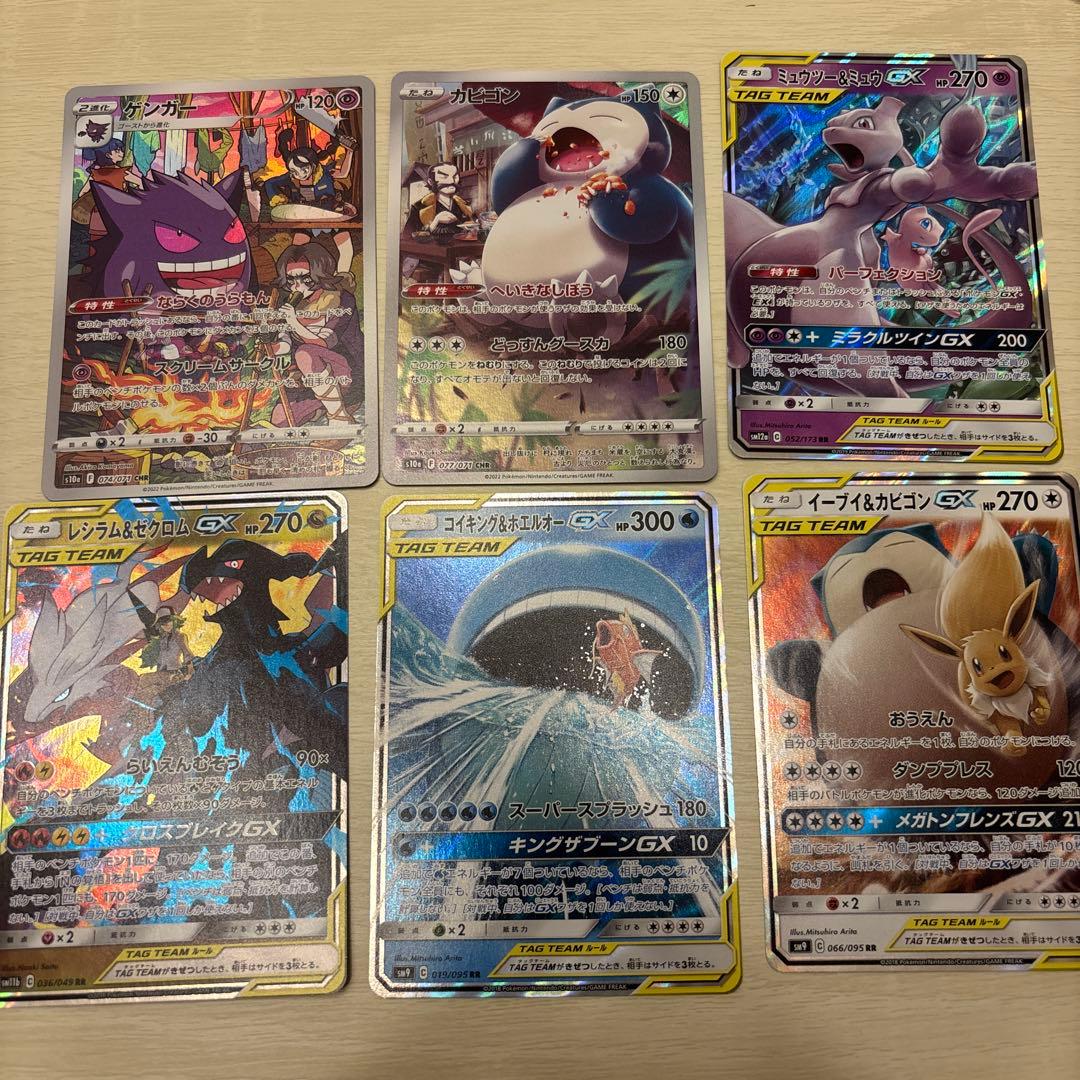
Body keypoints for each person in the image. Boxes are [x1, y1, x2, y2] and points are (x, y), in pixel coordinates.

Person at [271, 243, 362, 426]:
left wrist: (294, 322)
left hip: (346, 372)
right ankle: (322, 407)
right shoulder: (291, 303)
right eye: (291, 280)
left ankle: (339, 416)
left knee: (306, 353)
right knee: (280, 419)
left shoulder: (341, 299)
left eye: (305, 279)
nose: (298, 286)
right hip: (308, 379)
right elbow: (284, 343)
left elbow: (325, 343)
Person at [405, 161, 474, 237]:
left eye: (455, 177)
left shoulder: (464, 206)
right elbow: (407, 236)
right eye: (444, 177)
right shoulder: (418, 207)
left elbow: (473, 230)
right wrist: (435, 221)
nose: (451, 181)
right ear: (431, 182)